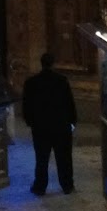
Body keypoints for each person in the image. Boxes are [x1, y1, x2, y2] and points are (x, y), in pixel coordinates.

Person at [21, 51, 77, 195]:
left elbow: (26, 105)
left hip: (41, 127)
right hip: (61, 126)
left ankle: (40, 186)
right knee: (64, 158)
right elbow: (69, 103)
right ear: (53, 64)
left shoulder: (31, 82)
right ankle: (67, 185)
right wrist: (72, 122)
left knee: (42, 158)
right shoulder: (62, 81)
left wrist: (30, 122)